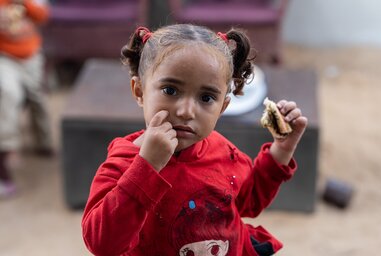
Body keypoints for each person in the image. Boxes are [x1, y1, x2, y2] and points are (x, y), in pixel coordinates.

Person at [81, 24, 308, 255]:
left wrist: (282, 149)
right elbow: (102, 244)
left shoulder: (224, 152)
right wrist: (147, 166)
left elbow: (249, 199)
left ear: (223, 107)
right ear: (139, 91)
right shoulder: (124, 161)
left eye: (206, 97)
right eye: (170, 90)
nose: (187, 111)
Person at [0, 0, 53, 199]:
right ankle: (6, 152)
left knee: (38, 98)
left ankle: (44, 142)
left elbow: (43, 16)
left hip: (31, 55)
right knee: (9, 93)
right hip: (5, 57)